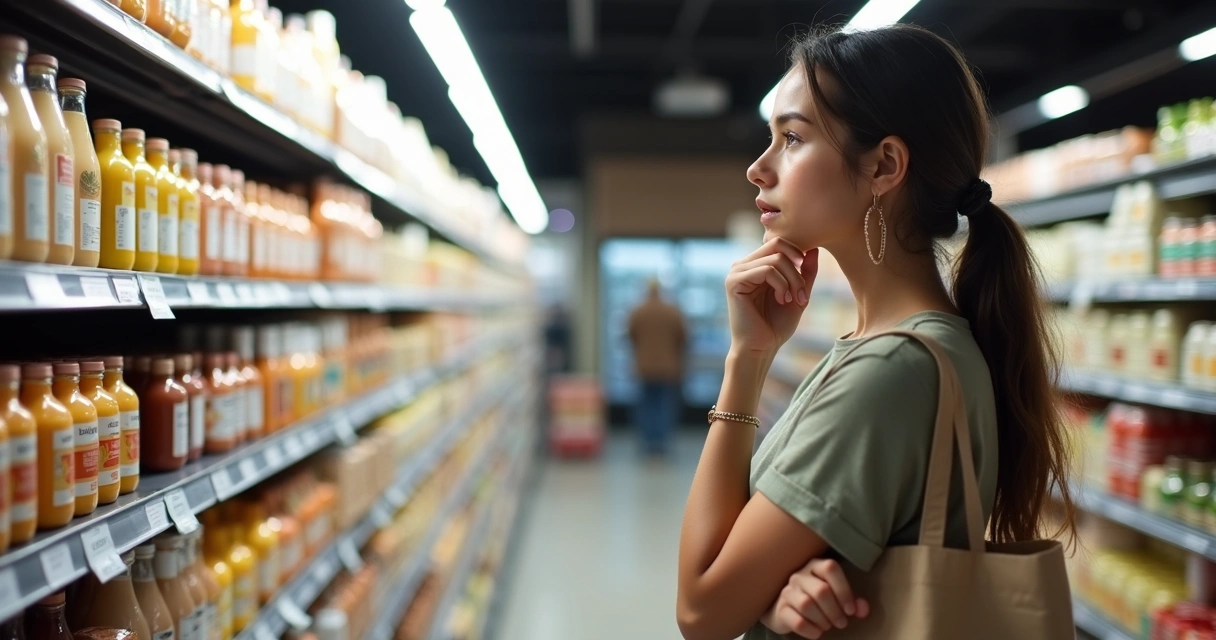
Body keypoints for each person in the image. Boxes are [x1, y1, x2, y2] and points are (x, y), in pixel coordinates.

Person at [676, 24, 1075, 640]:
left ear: (885, 165)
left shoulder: (889, 372)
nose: (759, 169)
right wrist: (775, 589)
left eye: (792, 138)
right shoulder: (916, 347)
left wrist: (744, 362)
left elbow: (702, 611)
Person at [627, 279, 688, 455]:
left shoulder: (638, 311)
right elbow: (683, 337)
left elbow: (630, 336)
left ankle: (647, 442)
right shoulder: (672, 311)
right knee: (664, 405)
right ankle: (661, 443)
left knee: (645, 405)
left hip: (644, 367)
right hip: (667, 367)